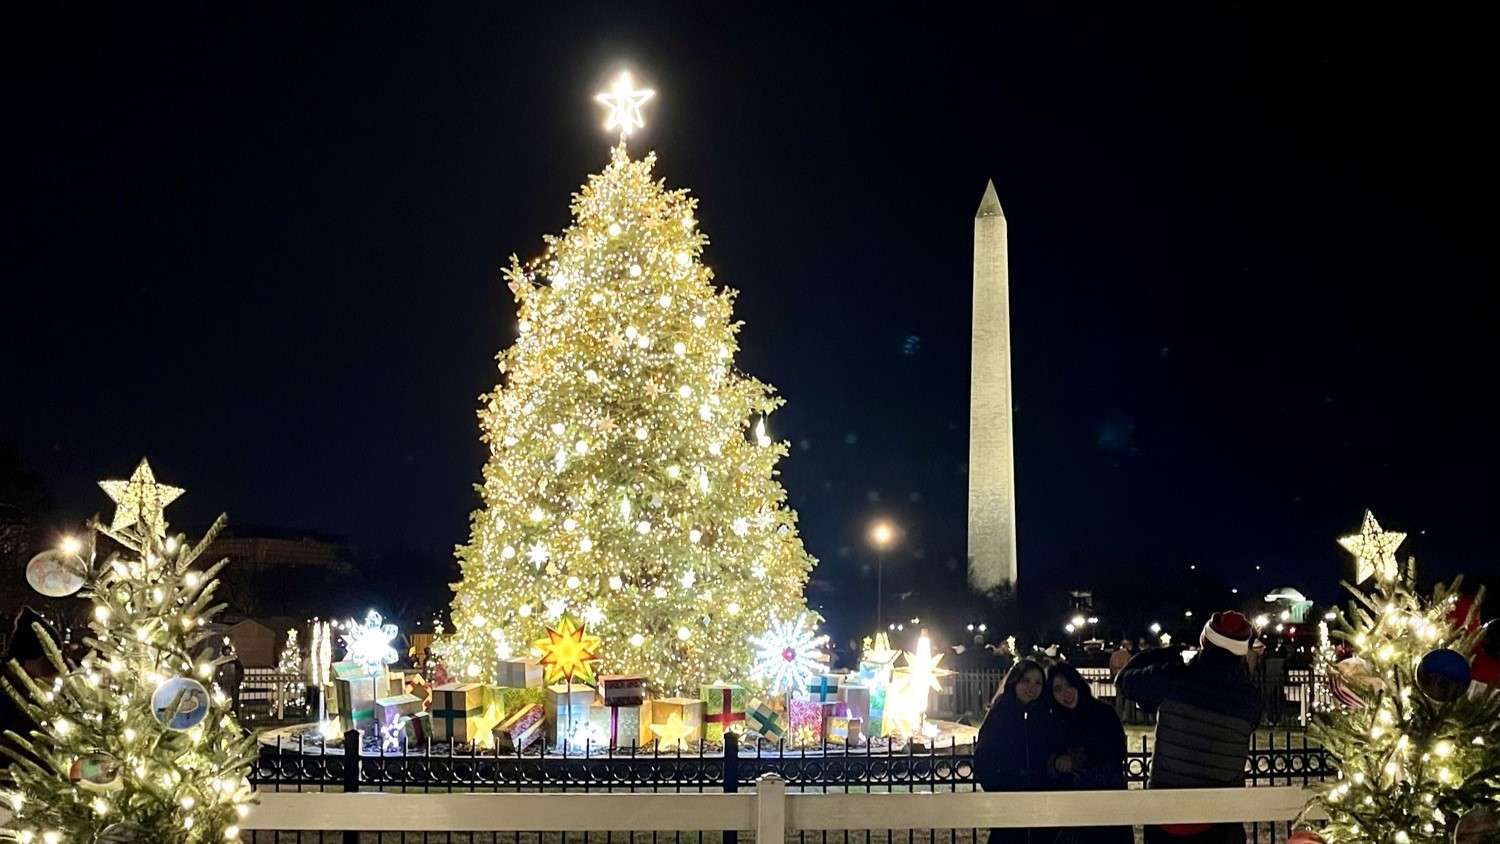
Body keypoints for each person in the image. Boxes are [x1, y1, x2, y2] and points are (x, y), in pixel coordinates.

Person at [1118, 610, 1263, 844]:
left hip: (1166, 815)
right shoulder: (1250, 701)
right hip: (1221, 818)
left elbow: (1124, 681)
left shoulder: (1173, 679)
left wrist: (1163, 654)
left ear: (1205, 641)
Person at [974, 658, 1060, 844]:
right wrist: (998, 788)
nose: (1032, 687)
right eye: (1026, 681)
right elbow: (983, 758)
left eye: (1038, 682)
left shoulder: (1046, 715)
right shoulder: (1000, 715)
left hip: (1041, 794)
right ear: (1015, 682)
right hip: (1008, 794)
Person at [1047, 663, 1132, 844]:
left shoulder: (1103, 713)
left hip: (1108, 800)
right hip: (1072, 808)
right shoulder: (1053, 722)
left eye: (1070, 685)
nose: (1066, 693)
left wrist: (1079, 759)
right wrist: (1056, 762)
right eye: (1058, 689)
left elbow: (1116, 750)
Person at [0, 607, 64, 766]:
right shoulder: (6, 691)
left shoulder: (32, 688)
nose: (55, 666)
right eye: (50, 659)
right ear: (30, 658)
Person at [1108, 640, 1135, 723]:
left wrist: (1114, 674)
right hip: (1125, 678)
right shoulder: (1128, 655)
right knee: (1127, 698)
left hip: (1117, 677)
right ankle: (1127, 718)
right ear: (1127, 646)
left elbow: (1111, 666)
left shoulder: (1114, 654)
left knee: (1118, 698)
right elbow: (1131, 667)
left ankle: (1118, 716)